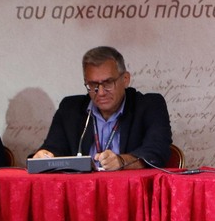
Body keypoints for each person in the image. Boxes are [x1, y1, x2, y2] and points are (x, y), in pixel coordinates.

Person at [33, 46, 171, 171]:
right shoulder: (70, 109)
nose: (100, 93)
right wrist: (44, 155)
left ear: (125, 79)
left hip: (130, 187)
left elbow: (157, 151)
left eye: (108, 83)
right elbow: (54, 148)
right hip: (82, 188)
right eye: (93, 85)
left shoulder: (149, 105)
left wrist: (122, 161)